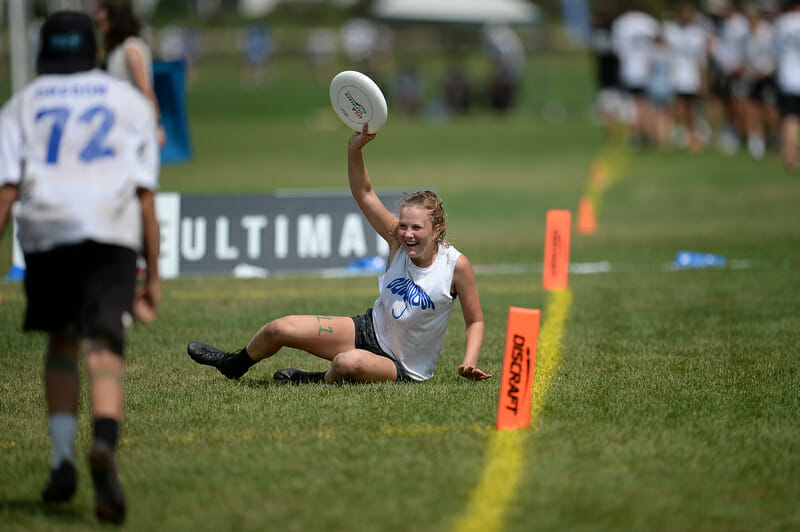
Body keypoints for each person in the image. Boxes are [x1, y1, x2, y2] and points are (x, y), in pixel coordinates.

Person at [0, 10, 160, 524]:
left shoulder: (21, 104)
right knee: (105, 347)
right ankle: (105, 444)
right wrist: (152, 275)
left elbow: (5, 192)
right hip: (111, 233)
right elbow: (145, 199)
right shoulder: (129, 104)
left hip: (47, 235)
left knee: (62, 343)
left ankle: (61, 457)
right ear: (94, 52)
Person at [188, 124, 491, 384]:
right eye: (404, 226)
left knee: (348, 363)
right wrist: (354, 149)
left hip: (404, 367)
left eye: (417, 228)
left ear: (437, 229)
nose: (407, 233)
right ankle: (233, 364)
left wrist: (469, 360)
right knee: (280, 328)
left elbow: (475, 321)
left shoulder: (455, 266)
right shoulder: (396, 240)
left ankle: (313, 380)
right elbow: (364, 194)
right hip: (366, 329)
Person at [95, 0, 166, 148]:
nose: (101, 29)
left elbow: (144, 88)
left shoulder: (131, 49)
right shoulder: (118, 49)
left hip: (132, 118)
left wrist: (156, 124)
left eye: (104, 23)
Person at [773, 0, 800, 170]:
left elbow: (774, 50)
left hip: (787, 79)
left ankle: (790, 156)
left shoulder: (781, 23)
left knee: (789, 119)